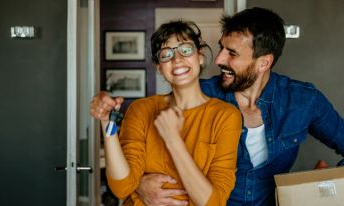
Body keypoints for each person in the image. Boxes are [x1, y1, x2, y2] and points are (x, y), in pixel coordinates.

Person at [91, 7, 344, 206]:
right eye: (220, 48)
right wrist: (138, 184)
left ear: (263, 62)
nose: (219, 60)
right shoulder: (200, 96)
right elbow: (145, 151)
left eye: (231, 53)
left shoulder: (302, 100)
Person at [90, 20, 242, 206]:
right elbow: (121, 187)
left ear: (200, 56)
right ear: (158, 67)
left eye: (185, 50)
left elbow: (213, 202)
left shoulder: (226, 116)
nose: (177, 59)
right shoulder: (141, 110)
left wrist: (172, 139)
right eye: (166, 54)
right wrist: (107, 122)